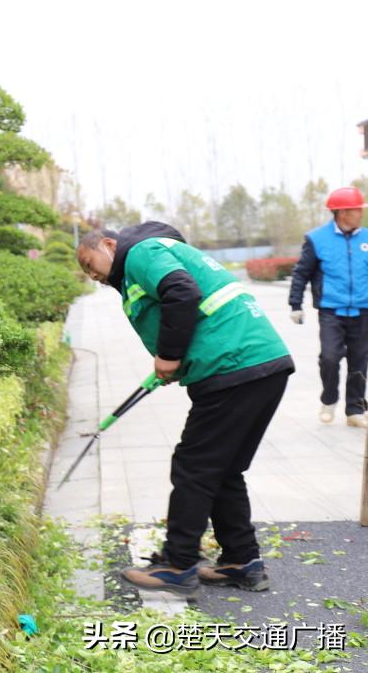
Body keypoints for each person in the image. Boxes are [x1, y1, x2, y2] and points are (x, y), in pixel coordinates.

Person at [77, 222, 294, 597]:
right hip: (263, 364)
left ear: (109, 244)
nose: (91, 274)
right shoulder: (154, 256)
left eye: (89, 262)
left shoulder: (141, 252)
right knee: (224, 468)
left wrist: (170, 356)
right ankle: (242, 561)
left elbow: (181, 292)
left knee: (193, 467)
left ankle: (177, 566)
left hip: (233, 366)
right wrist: (176, 360)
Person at [288, 186, 368, 428]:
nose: (361, 214)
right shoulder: (316, 239)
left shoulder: (366, 238)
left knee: (360, 360)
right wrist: (295, 304)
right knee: (331, 357)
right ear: (342, 212)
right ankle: (329, 399)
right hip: (331, 311)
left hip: (363, 311)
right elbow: (301, 273)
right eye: (357, 210)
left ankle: (355, 410)